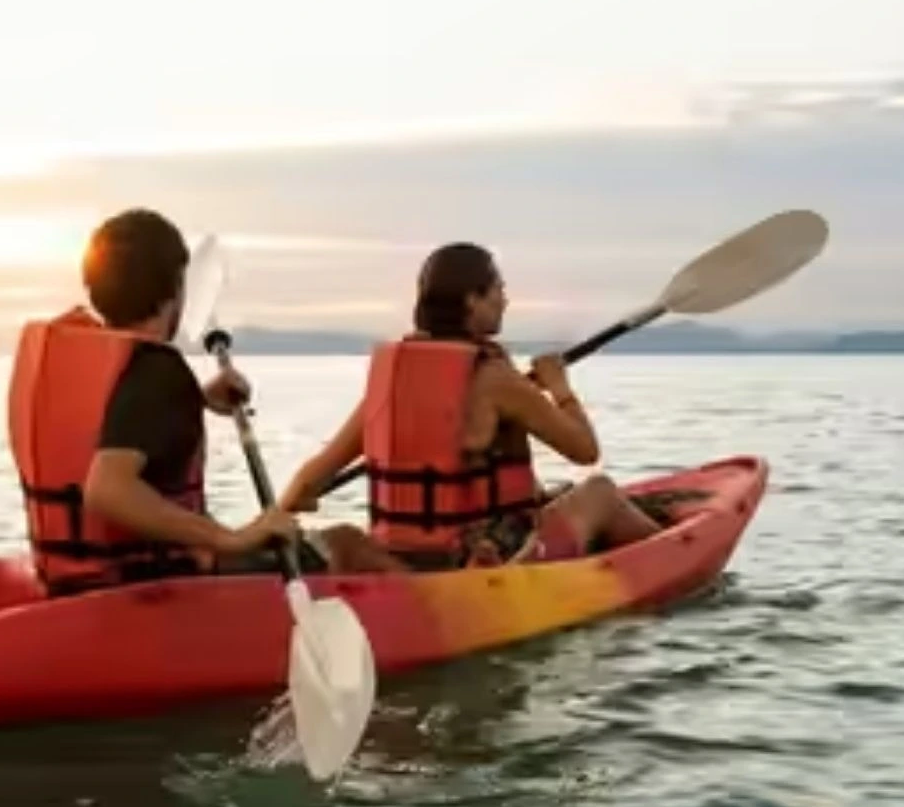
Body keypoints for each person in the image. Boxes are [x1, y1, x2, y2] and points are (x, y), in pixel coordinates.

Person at [280, 242, 663, 569]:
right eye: (498, 288)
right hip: (487, 555)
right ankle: (670, 556)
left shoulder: (396, 380)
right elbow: (584, 450)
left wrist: (286, 509)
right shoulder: (494, 378)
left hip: (406, 554)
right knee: (600, 492)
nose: (505, 300)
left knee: (551, 493)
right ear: (471, 300)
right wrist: (559, 387)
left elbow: (313, 475)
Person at [8, 208, 298, 594]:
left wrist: (195, 400)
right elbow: (106, 489)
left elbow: (125, 420)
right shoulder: (157, 371)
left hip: (73, 584)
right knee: (347, 544)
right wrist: (232, 538)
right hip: (151, 591)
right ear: (175, 288)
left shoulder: (115, 368)